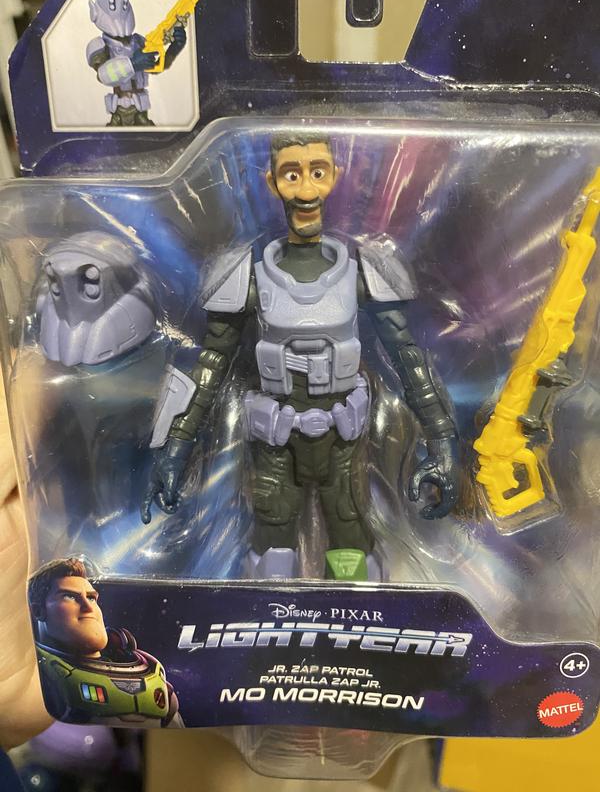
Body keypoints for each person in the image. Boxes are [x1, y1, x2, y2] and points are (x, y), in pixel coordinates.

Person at [142, 133, 459, 581]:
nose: (306, 190)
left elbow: (408, 361)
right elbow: (210, 365)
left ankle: (351, 614)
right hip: (275, 442)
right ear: (272, 182)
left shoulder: (366, 271)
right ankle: (272, 615)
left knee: (351, 544)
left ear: (335, 177)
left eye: (317, 172)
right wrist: (176, 446)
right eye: (292, 175)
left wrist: (442, 439)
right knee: (272, 546)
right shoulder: (244, 276)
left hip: (343, 442)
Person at [28, 558, 182, 728]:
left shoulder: (153, 676)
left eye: (91, 598)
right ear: (38, 611)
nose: (88, 607)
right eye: (69, 596)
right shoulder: (40, 680)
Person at [87, 0, 188, 127]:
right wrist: (132, 64)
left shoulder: (138, 41)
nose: (119, 10)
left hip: (141, 111)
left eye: (123, 3)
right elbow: (103, 75)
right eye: (112, 4)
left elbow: (156, 67)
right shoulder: (99, 45)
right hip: (119, 112)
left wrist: (174, 49)